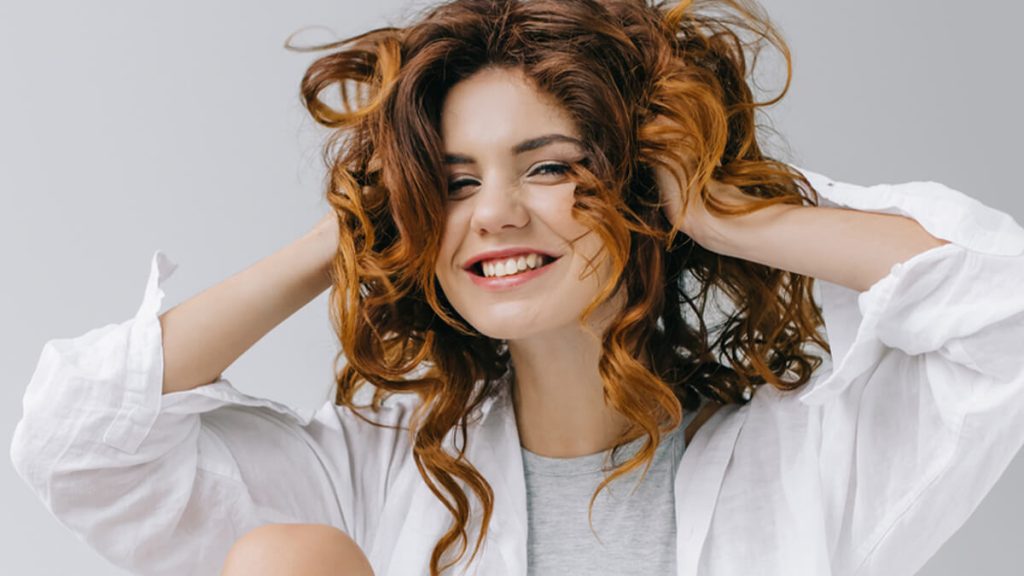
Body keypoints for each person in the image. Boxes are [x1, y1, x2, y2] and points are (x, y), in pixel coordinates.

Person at [10, 0, 1024, 575]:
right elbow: (78, 442)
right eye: (451, 184)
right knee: (285, 561)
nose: (491, 214)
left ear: (638, 187)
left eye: (546, 167)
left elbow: (1001, 308)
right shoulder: (373, 478)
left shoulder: (800, 463)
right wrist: (349, 231)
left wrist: (725, 212)